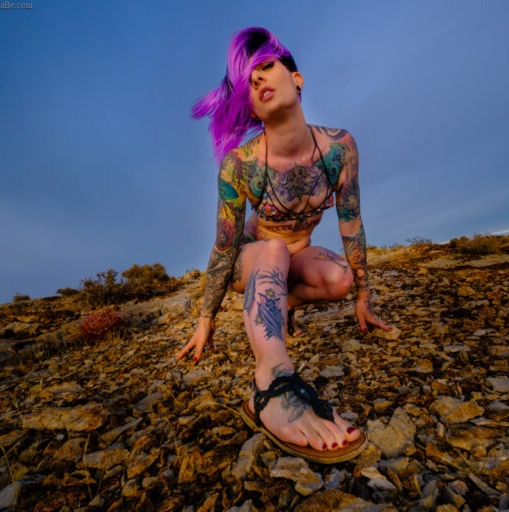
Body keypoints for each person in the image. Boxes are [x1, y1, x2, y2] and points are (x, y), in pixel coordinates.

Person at [175, 27, 392, 464]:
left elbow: (351, 221)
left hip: (295, 257)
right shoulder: (240, 165)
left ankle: (279, 305)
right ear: (250, 107)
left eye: (266, 66)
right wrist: (205, 319)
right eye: (247, 81)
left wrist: (364, 295)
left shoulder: (339, 147)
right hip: (250, 260)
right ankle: (270, 385)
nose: (257, 79)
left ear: (297, 78)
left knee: (340, 279)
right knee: (272, 249)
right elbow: (223, 247)